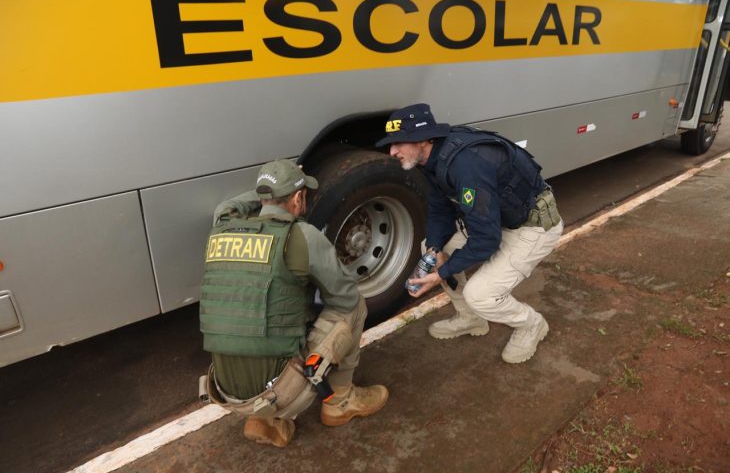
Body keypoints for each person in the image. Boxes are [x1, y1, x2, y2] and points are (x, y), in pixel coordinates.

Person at [198, 159, 388, 448]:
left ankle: (265, 418)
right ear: (298, 198)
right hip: (282, 390)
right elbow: (344, 297)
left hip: (226, 392)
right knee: (353, 307)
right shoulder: (301, 236)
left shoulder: (222, 225)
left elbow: (228, 205)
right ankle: (340, 401)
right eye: (303, 196)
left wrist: (270, 191)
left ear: (261, 199)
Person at [376, 103, 563, 364]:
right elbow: (441, 208)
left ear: (424, 138)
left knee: (480, 294)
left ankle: (531, 324)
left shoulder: (466, 165)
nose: (392, 151)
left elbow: (486, 240)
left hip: (531, 229)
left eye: (400, 142)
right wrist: (434, 248)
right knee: (430, 252)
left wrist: (440, 274)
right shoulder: (431, 158)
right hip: (497, 222)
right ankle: (471, 318)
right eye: (391, 144)